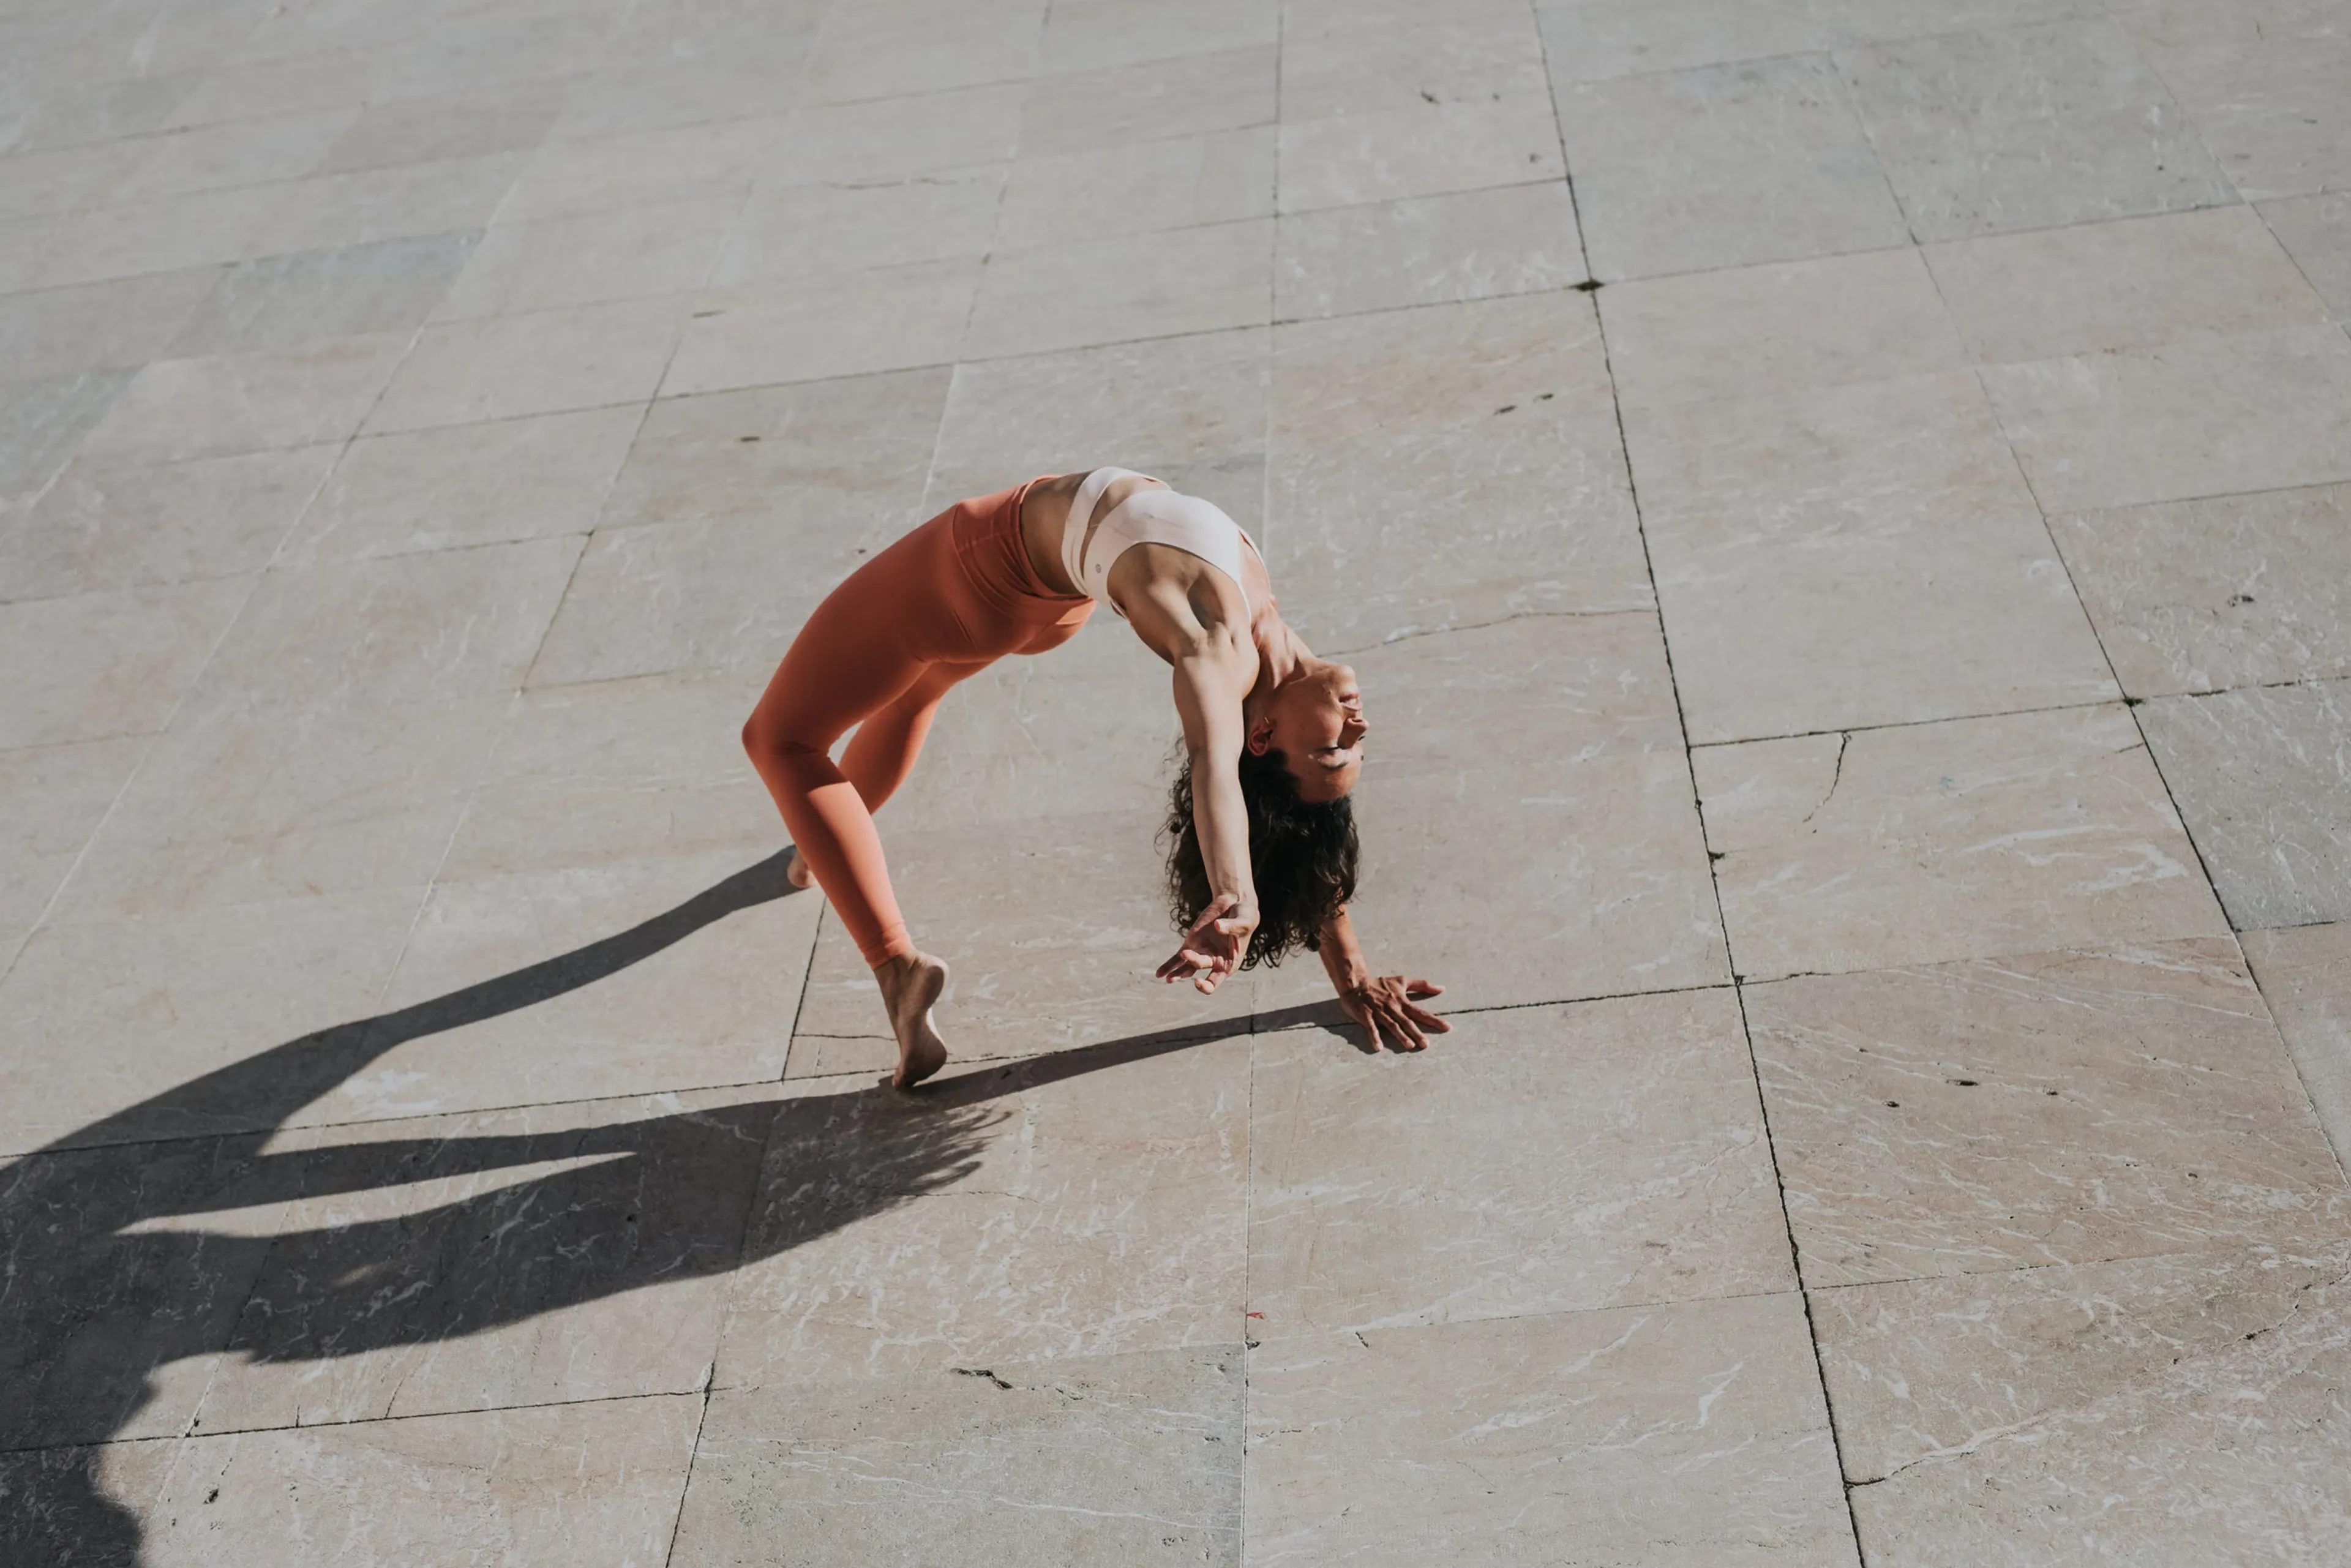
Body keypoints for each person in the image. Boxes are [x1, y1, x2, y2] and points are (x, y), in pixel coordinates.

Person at [742, 467, 1450, 1087]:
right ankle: (825, 847)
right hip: (1044, 601)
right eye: (1355, 752)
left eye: (1333, 752)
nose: (1358, 730)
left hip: (978, 569)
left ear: (1260, 735)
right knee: (914, 691)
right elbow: (1301, 840)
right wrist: (1352, 974)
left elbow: (1215, 767)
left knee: (781, 739)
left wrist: (1235, 891)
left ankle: (895, 965)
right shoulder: (1267, 644)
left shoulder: (1216, 655)